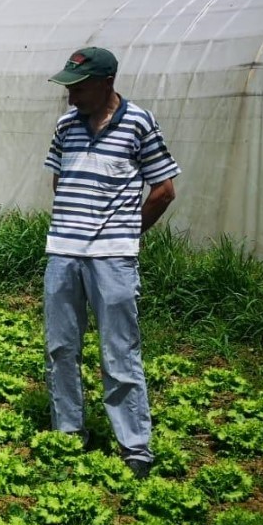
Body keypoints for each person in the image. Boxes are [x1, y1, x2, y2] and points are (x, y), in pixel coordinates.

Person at [43, 46, 180, 479]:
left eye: (78, 88)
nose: (70, 98)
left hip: (113, 258)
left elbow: (164, 189)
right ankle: (69, 433)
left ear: (106, 83)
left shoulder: (138, 123)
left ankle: (134, 446)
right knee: (61, 348)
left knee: (119, 351)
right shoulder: (67, 125)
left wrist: (125, 233)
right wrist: (75, 226)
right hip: (63, 252)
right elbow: (59, 180)